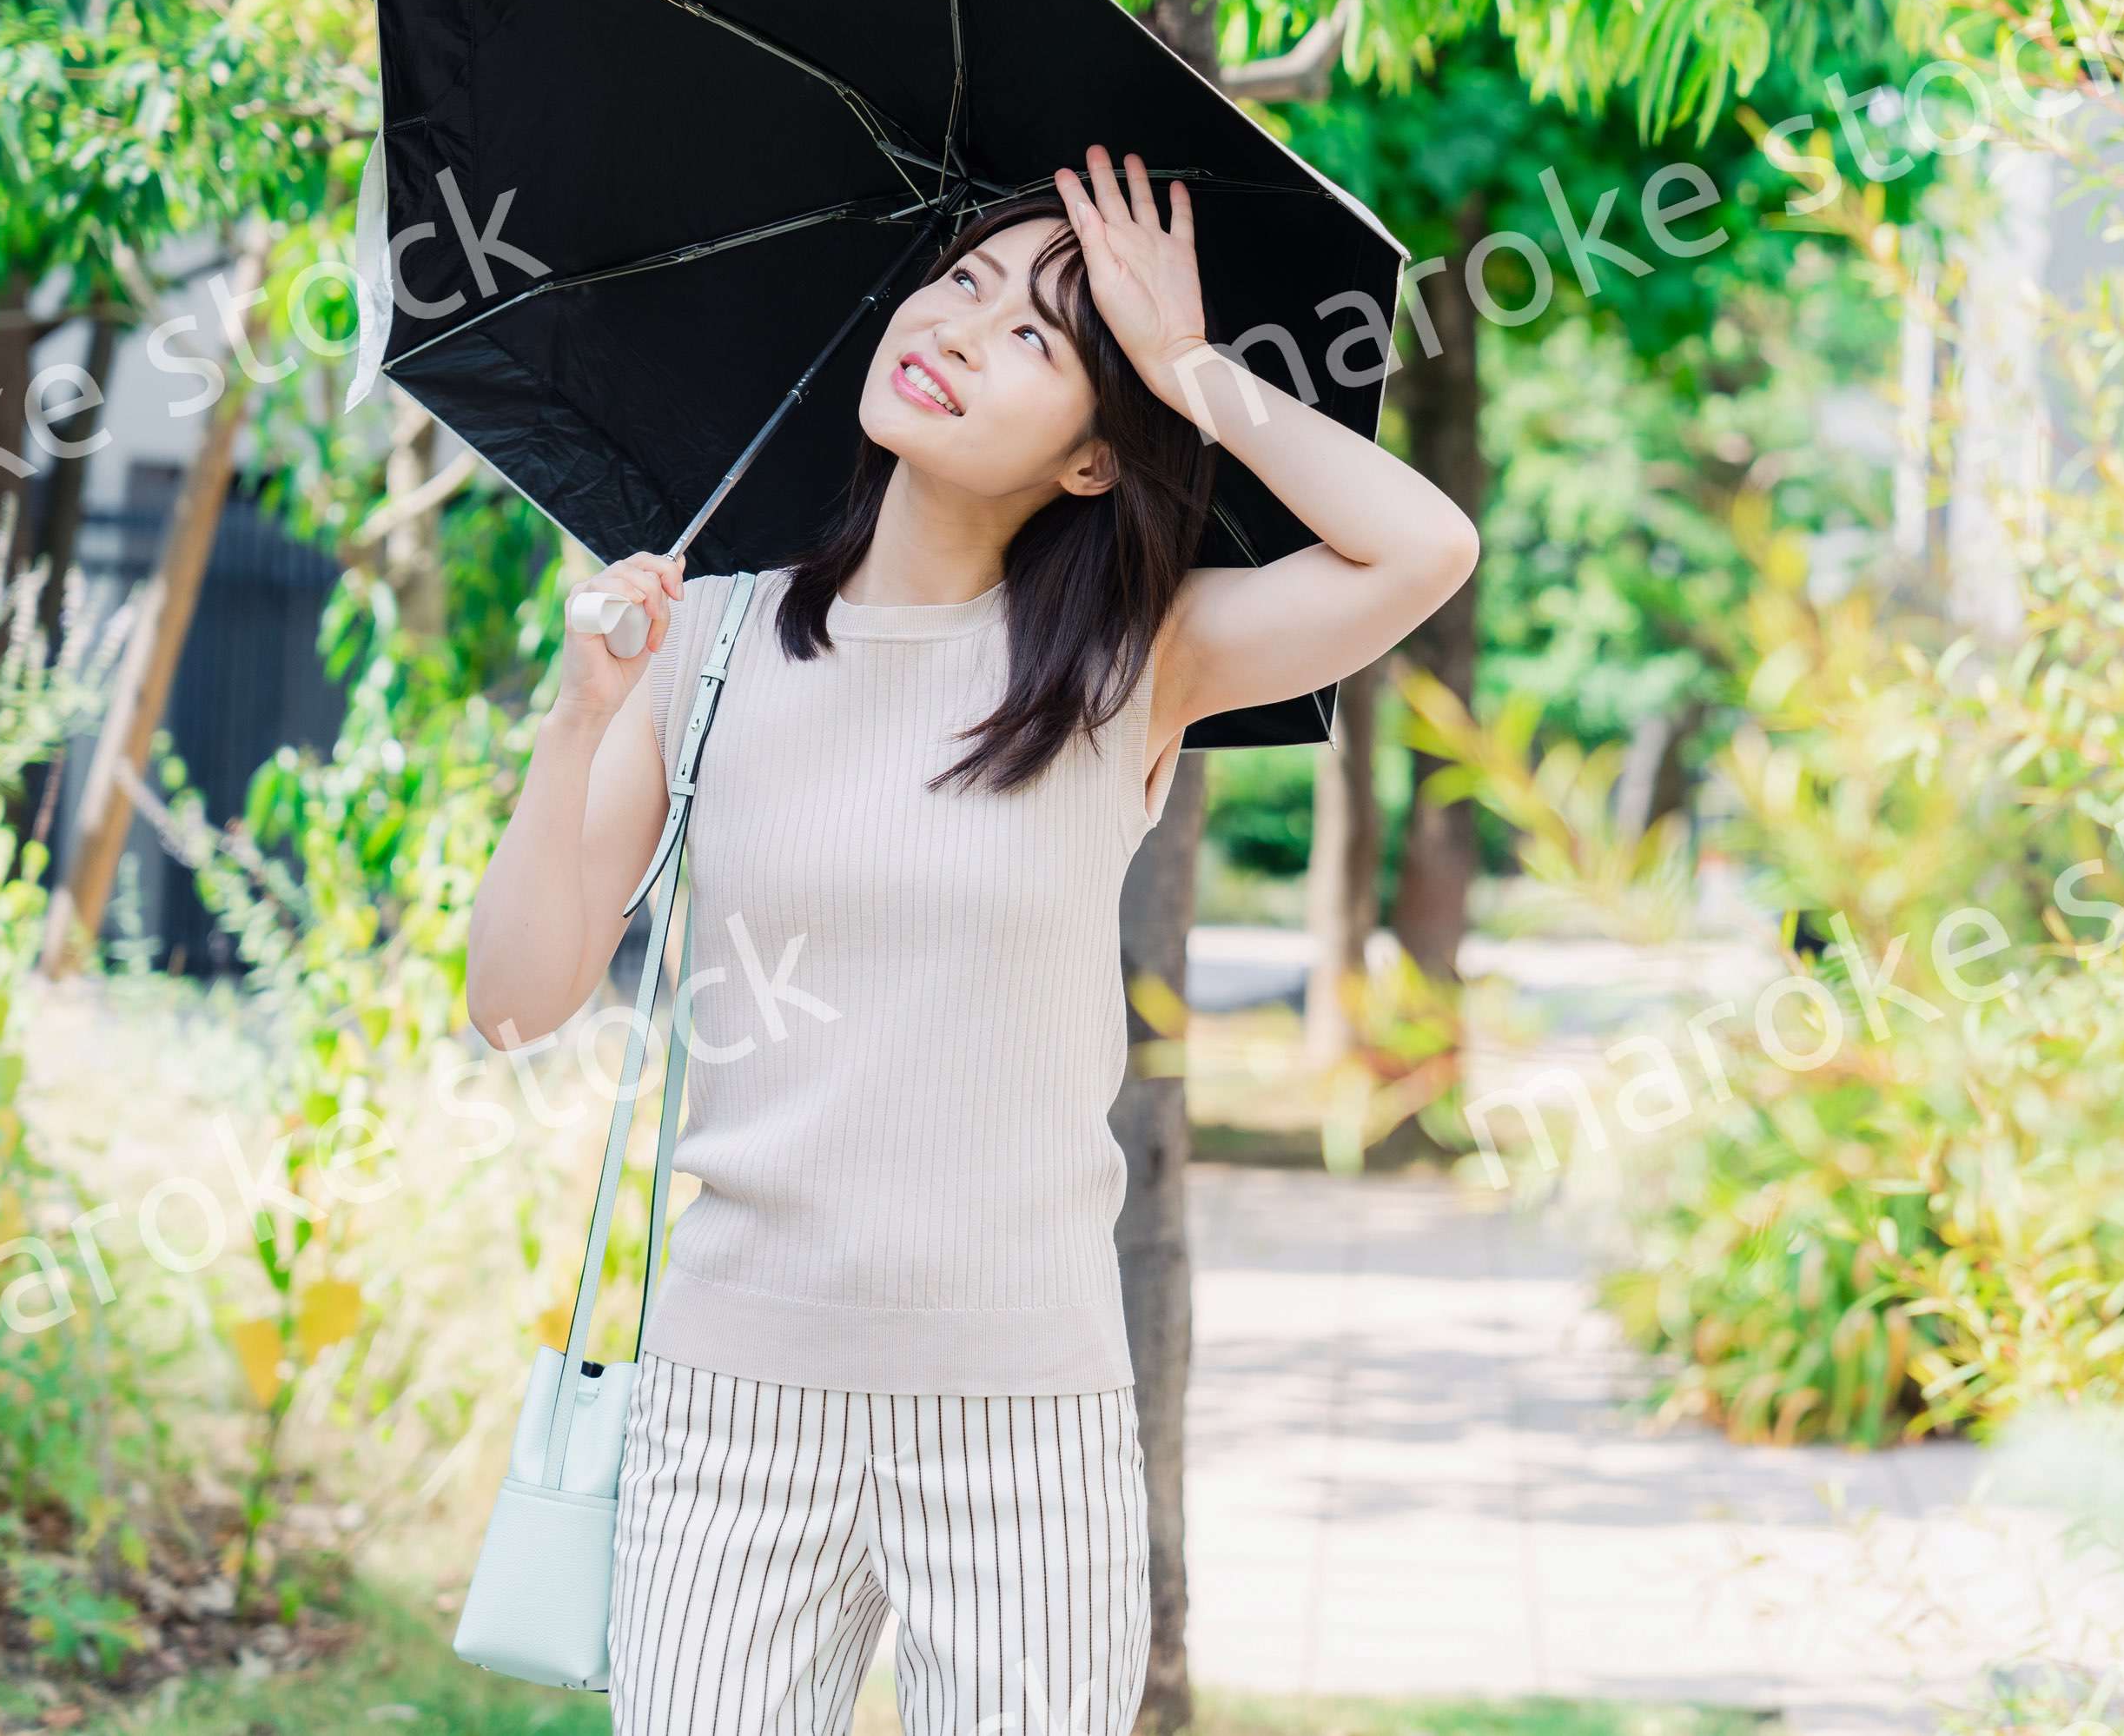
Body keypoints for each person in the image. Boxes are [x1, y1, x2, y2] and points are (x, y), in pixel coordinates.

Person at [460, 147, 1478, 1735]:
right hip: (732, 1401)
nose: (958, 324)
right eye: (958, 283)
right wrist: (581, 718)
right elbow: (518, 1003)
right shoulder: (712, 642)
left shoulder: (1133, 666)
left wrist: (1190, 367)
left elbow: (1422, 553)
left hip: (1023, 1414)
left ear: (1090, 457)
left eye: (1036, 336)